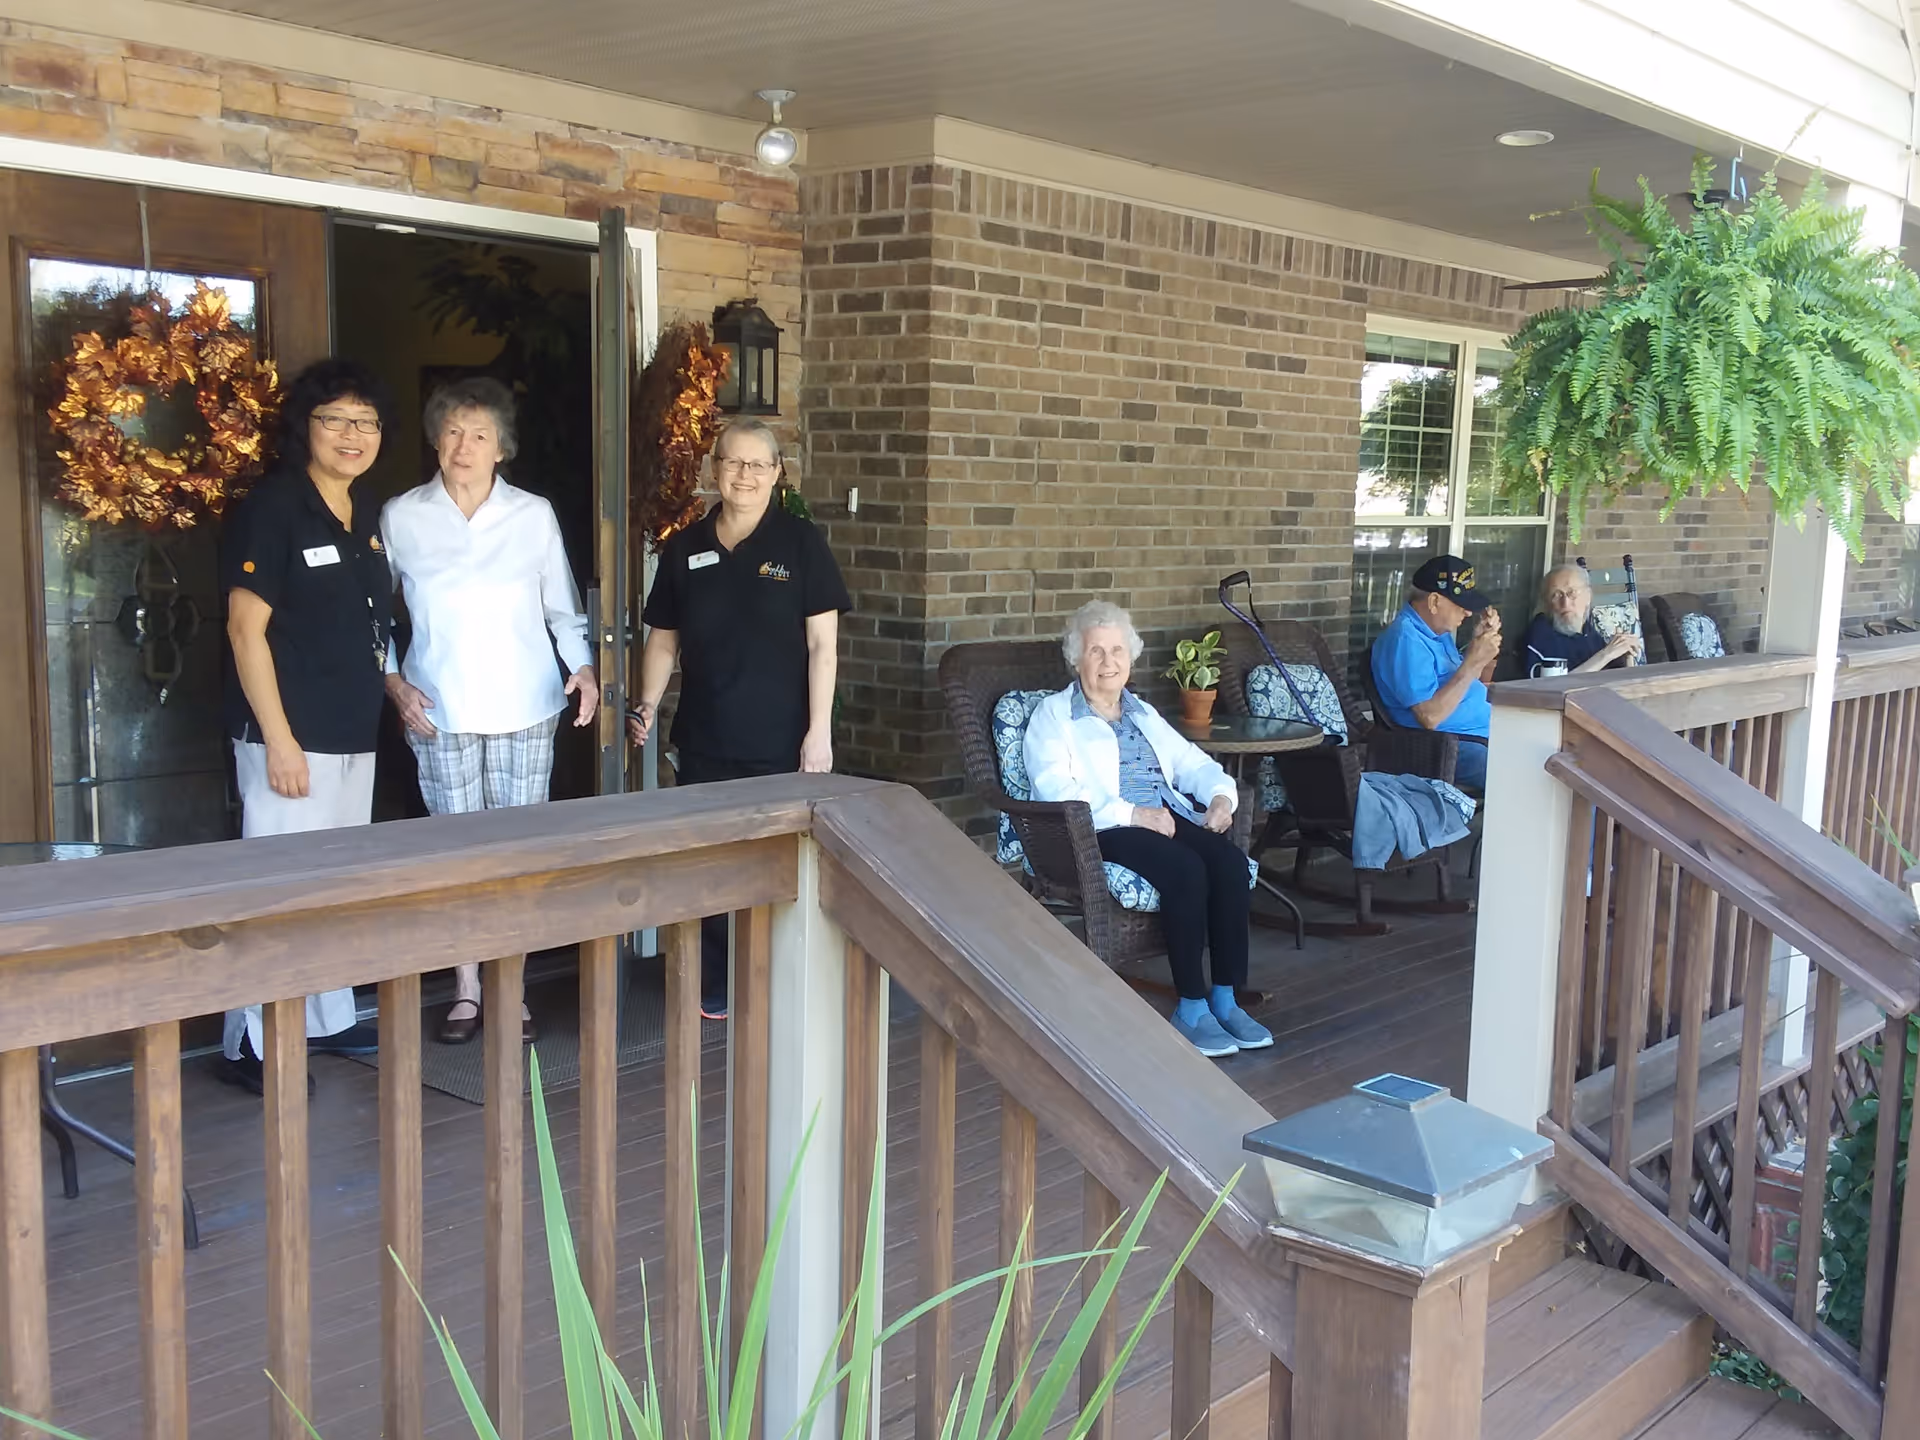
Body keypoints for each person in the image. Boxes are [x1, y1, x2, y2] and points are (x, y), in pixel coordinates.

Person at [380, 377, 598, 1046]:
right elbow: (372, 613)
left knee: (517, 854)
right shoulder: (402, 515)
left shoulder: (532, 515)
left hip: (526, 705)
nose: (463, 445)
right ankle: (467, 987)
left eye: (478, 434)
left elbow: (561, 608)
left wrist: (584, 668)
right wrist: (392, 680)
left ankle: (513, 988)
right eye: (451, 431)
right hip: (438, 708)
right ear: (434, 440)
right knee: (454, 853)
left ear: (502, 447)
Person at [625, 418, 849, 1019]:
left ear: (777, 474)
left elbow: (824, 647)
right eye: (733, 462)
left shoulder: (801, 543)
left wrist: (818, 734)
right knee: (713, 866)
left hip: (783, 740)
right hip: (705, 736)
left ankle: (784, 976)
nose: (744, 475)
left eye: (758, 464)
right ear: (713, 469)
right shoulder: (685, 548)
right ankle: (720, 979)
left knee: (781, 865)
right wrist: (647, 703)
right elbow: (663, 641)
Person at [218, 358, 394, 1093]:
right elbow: (243, 629)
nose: (352, 435)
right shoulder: (276, 507)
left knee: (333, 884)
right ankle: (251, 1044)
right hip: (291, 740)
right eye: (336, 420)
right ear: (306, 429)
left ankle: (324, 1018)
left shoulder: (361, 518)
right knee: (279, 889)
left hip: (352, 731)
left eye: (366, 422)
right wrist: (280, 741)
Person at [1022, 600, 1271, 1060]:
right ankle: (1192, 1007)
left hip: (1165, 817)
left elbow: (1193, 764)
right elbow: (1057, 790)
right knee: (1185, 870)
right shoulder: (1054, 717)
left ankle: (1226, 997)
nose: (1108, 662)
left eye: (1117, 650)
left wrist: (1220, 796)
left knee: (1231, 864)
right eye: (1096, 651)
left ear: (1131, 658)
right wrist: (1133, 815)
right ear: (1077, 658)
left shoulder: (1142, 713)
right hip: (1101, 829)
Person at [1370, 554, 1499, 791]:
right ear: (1434, 601)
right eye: (1461, 605)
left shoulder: (1437, 633)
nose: (1468, 613)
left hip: (1484, 733)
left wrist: (1480, 651)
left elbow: (1470, 686)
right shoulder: (1405, 640)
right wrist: (1471, 663)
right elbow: (1429, 717)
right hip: (1446, 746)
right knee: (1528, 771)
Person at [1521, 565, 1644, 674]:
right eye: (1556, 595)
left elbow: (1616, 679)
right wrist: (1606, 654)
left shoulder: (1587, 631)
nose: (1565, 603)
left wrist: (1627, 656)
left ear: (1588, 596)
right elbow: (1553, 688)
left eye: (1572, 593)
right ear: (1547, 602)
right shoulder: (1540, 635)